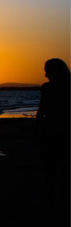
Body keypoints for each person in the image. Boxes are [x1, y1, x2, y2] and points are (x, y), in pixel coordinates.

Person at [36, 58, 70, 207]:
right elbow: (41, 111)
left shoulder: (48, 88)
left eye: (47, 71)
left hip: (54, 131)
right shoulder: (48, 87)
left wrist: (36, 131)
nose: (45, 75)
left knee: (53, 166)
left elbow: (41, 111)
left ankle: (54, 200)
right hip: (52, 130)